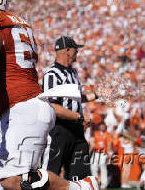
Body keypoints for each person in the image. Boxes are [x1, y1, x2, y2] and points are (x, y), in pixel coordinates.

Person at [0, 0, 99, 190]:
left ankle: (81, 188)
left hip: (22, 108)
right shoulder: (19, 23)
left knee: (13, 180)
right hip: (24, 107)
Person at [42, 36, 97, 181]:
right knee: (50, 175)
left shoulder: (73, 73)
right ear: (67, 50)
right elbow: (53, 106)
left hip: (77, 131)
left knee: (81, 177)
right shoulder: (52, 75)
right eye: (75, 50)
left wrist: (99, 94)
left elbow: (77, 97)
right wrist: (79, 117)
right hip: (59, 130)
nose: (77, 53)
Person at [90, 123, 112, 189]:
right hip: (95, 152)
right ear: (99, 127)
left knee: (103, 168)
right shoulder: (96, 133)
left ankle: (104, 185)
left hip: (103, 153)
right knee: (93, 167)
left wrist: (109, 153)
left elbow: (109, 144)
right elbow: (92, 143)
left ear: (105, 127)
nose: (102, 127)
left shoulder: (108, 134)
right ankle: (97, 183)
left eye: (103, 126)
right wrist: (89, 152)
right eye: (101, 126)